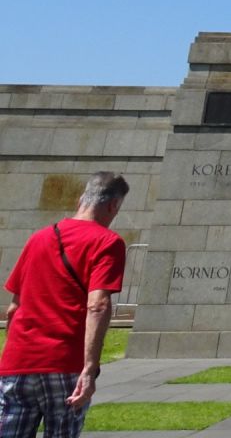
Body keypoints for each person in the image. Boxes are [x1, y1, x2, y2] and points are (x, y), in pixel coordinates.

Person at [0, 171, 129, 437]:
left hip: (18, 362)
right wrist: (89, 369)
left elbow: (14, 308)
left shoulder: (38, 238)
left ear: (81, 199)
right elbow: (98, 305)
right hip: (64, 362)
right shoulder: (107, 242)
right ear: (113, 205)